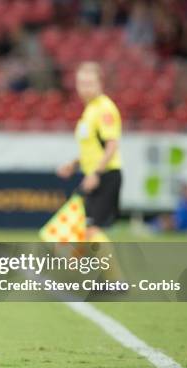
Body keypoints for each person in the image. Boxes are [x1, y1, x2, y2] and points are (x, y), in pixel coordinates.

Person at [57, 61, 122, 242]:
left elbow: (111, 145)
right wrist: (75, 163)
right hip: (93, 175)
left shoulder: (104, 108)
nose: (84, 88)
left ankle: (112, 271)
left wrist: (96, 174)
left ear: (100, 84)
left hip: (105, 176)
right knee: (81, 231)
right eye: (81, 84)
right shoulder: (90, 110)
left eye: (89, 84)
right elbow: (93, 146)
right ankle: (100, 270)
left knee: (90, 230)